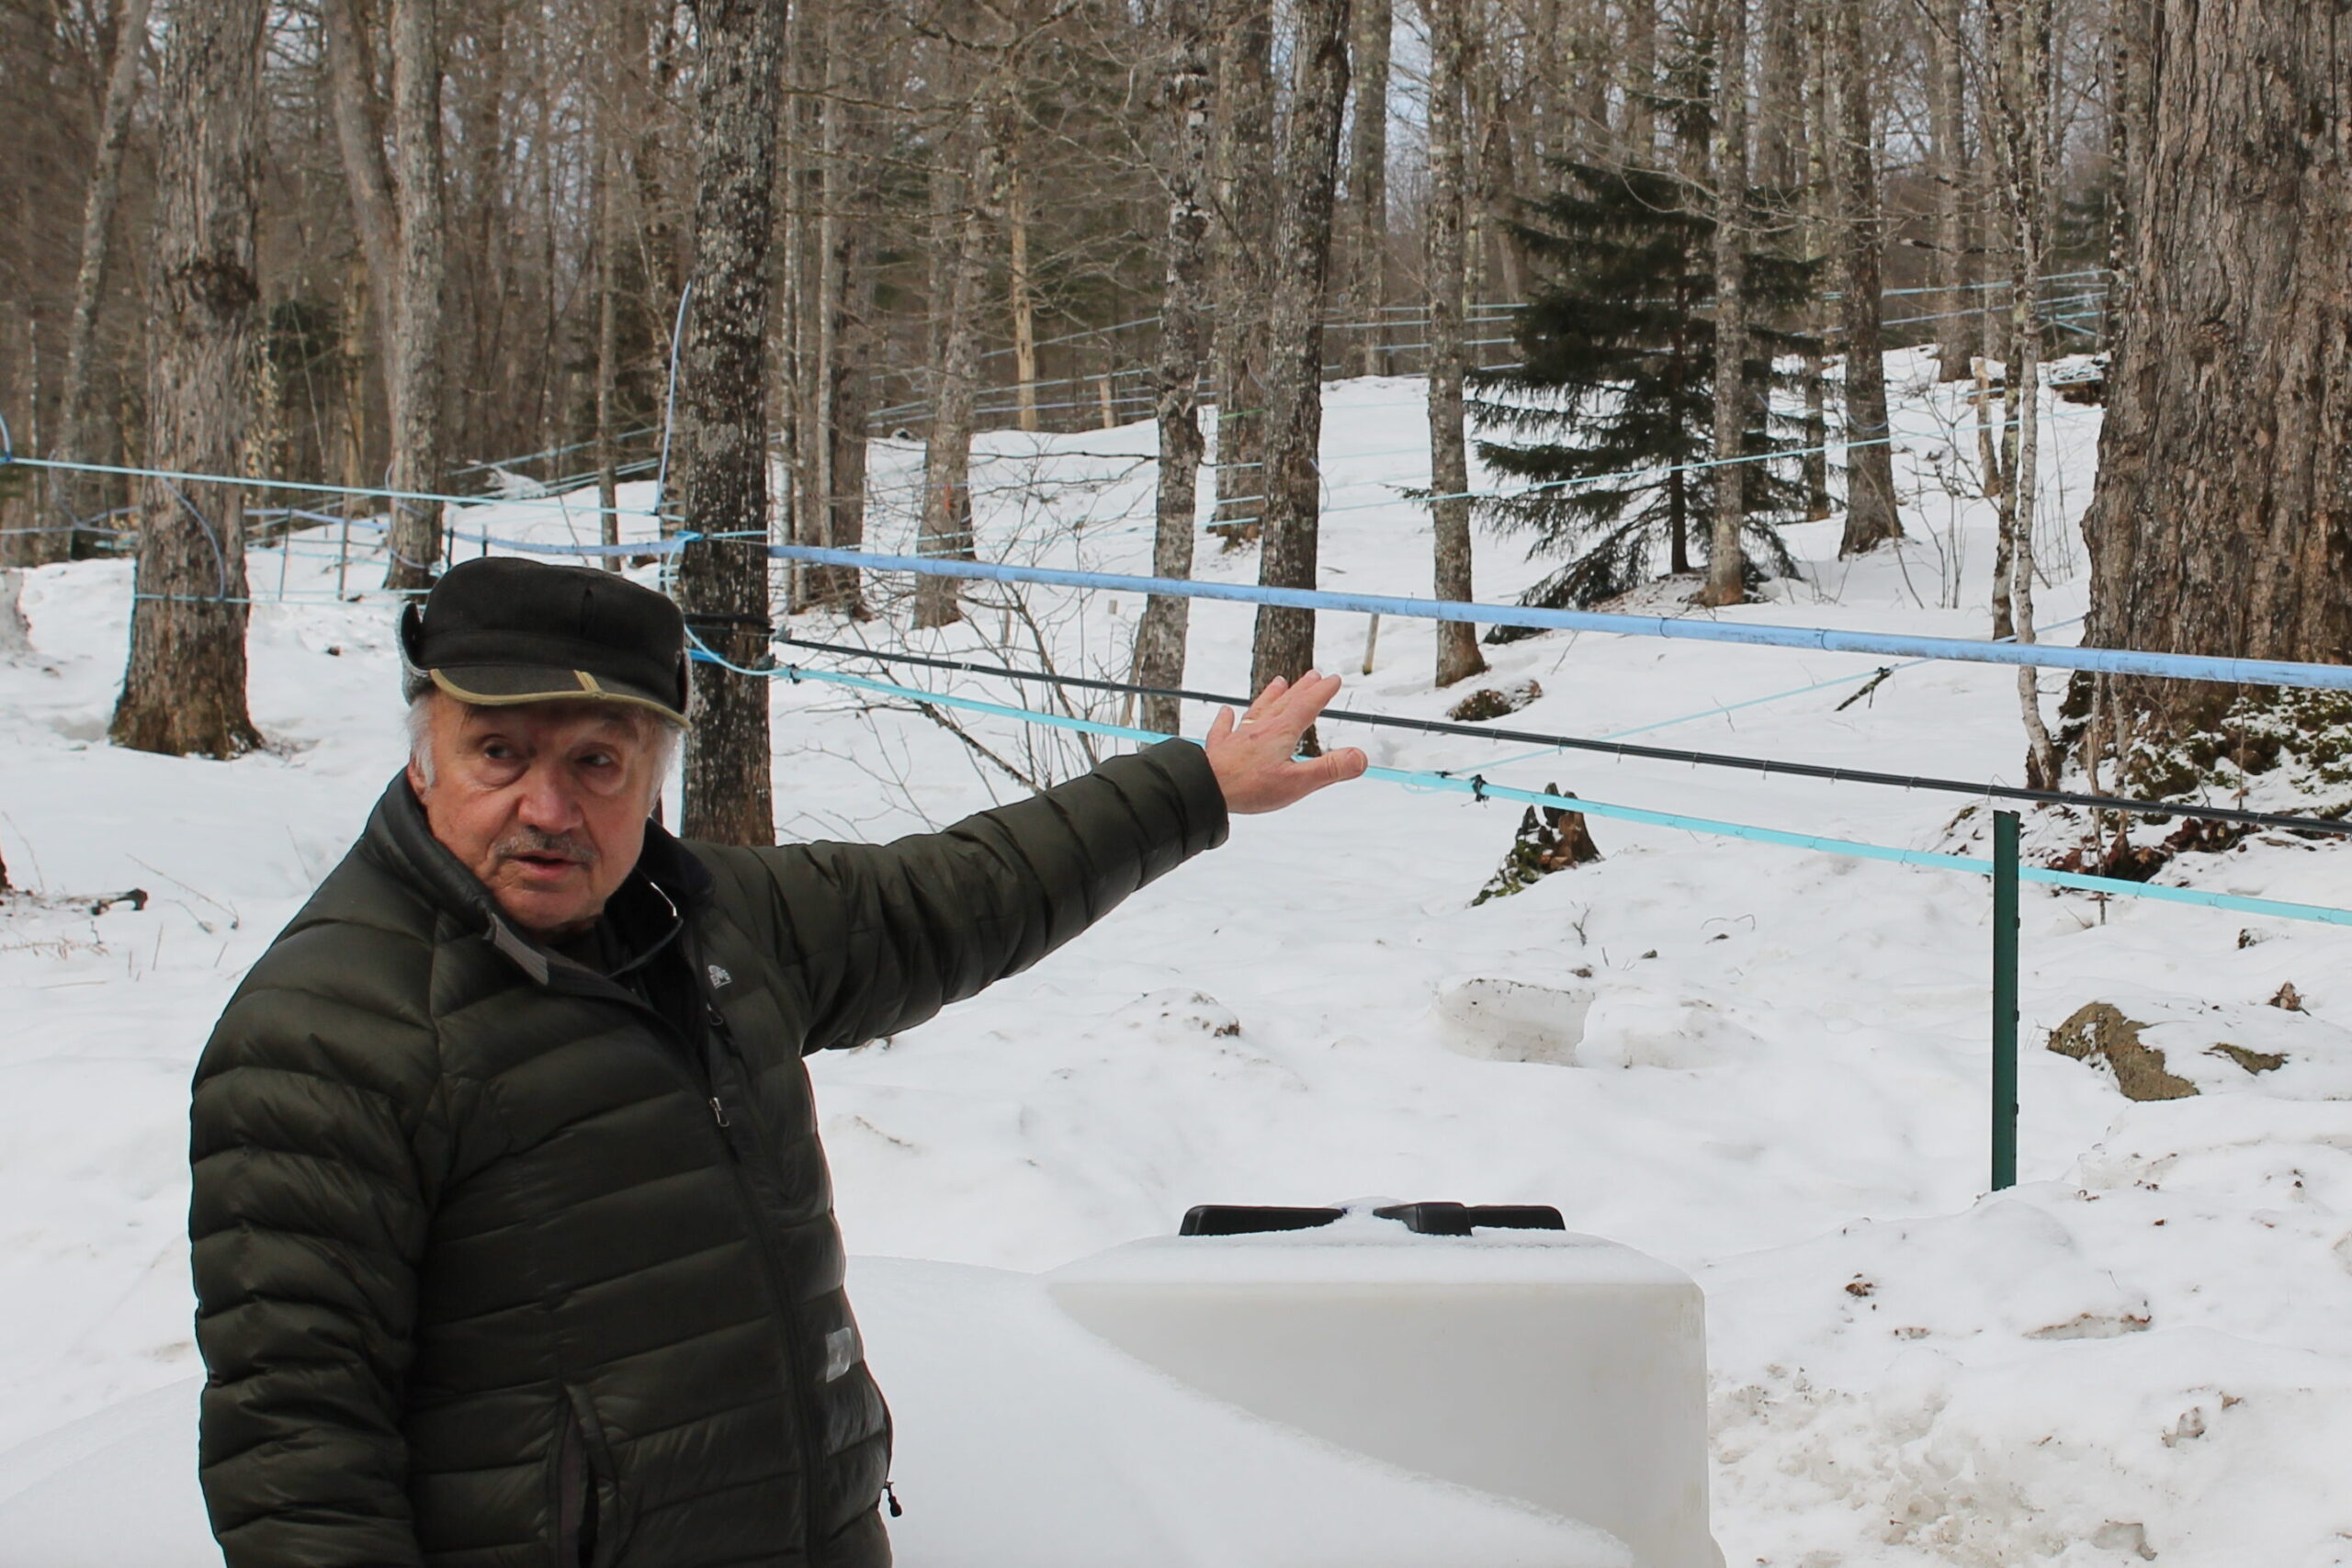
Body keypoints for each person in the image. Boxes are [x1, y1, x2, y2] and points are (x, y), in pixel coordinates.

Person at [187, 557, 1366, 1568]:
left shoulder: (707, 924)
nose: (546, 806)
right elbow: (298, 1447)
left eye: (598, 763)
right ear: (422, 757)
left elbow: (951, 895)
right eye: (498, 751)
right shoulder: (329, 1036)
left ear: (654, 777)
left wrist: (1194, 787)